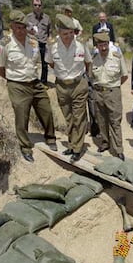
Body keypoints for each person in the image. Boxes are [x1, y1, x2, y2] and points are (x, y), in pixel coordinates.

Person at [0, 10, 57, 163]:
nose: (21, 30)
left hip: (35, 83)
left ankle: (50, 137)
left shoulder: (33, 41)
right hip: (17, 85)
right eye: (18, 27)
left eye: (23, 27)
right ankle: (25, 146)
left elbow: (38, 62)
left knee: (46, 110)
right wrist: (13, 80)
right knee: (22, 115)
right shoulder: (4, 44)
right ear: (12, 27)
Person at [46, 14, 92, 162]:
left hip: (79, 84)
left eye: (71, 33)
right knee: (69, 118)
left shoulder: (81, 44)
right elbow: (50, 63)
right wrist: (62, 76)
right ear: (58, 32)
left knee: (79, 117)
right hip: (61, 86)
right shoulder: (52, 45)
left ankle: (77, 149)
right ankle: (72, 145)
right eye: (65, 34)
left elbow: (88, 62)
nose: (68, 37)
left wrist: (87, 79)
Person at [90, 32, 128, 161]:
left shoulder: (117, 56)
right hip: (98, 92)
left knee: (115, 121)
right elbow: (90, 75)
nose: (104, 48)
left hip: (113, 92)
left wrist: (114, 87)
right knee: (101, 119)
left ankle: (118, 149)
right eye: (101, 45)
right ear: (97, 46)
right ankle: (105, 142)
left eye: (105, 44)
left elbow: (124, 75)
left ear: (108, 44)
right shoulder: (93, 57)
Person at [26, 0, 51, 85]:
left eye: (39, 5)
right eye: (35, 5)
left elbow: (49, 32)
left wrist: (49, 43)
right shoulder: (28, 17)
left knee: (45, 64)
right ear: (32, 5)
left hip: (44, 43)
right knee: (32, 63)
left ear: (42, 6)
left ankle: (44, 83)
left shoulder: (47, 18)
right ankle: (33, 81)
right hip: (32, 43)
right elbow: (25, 30)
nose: (37, 7)